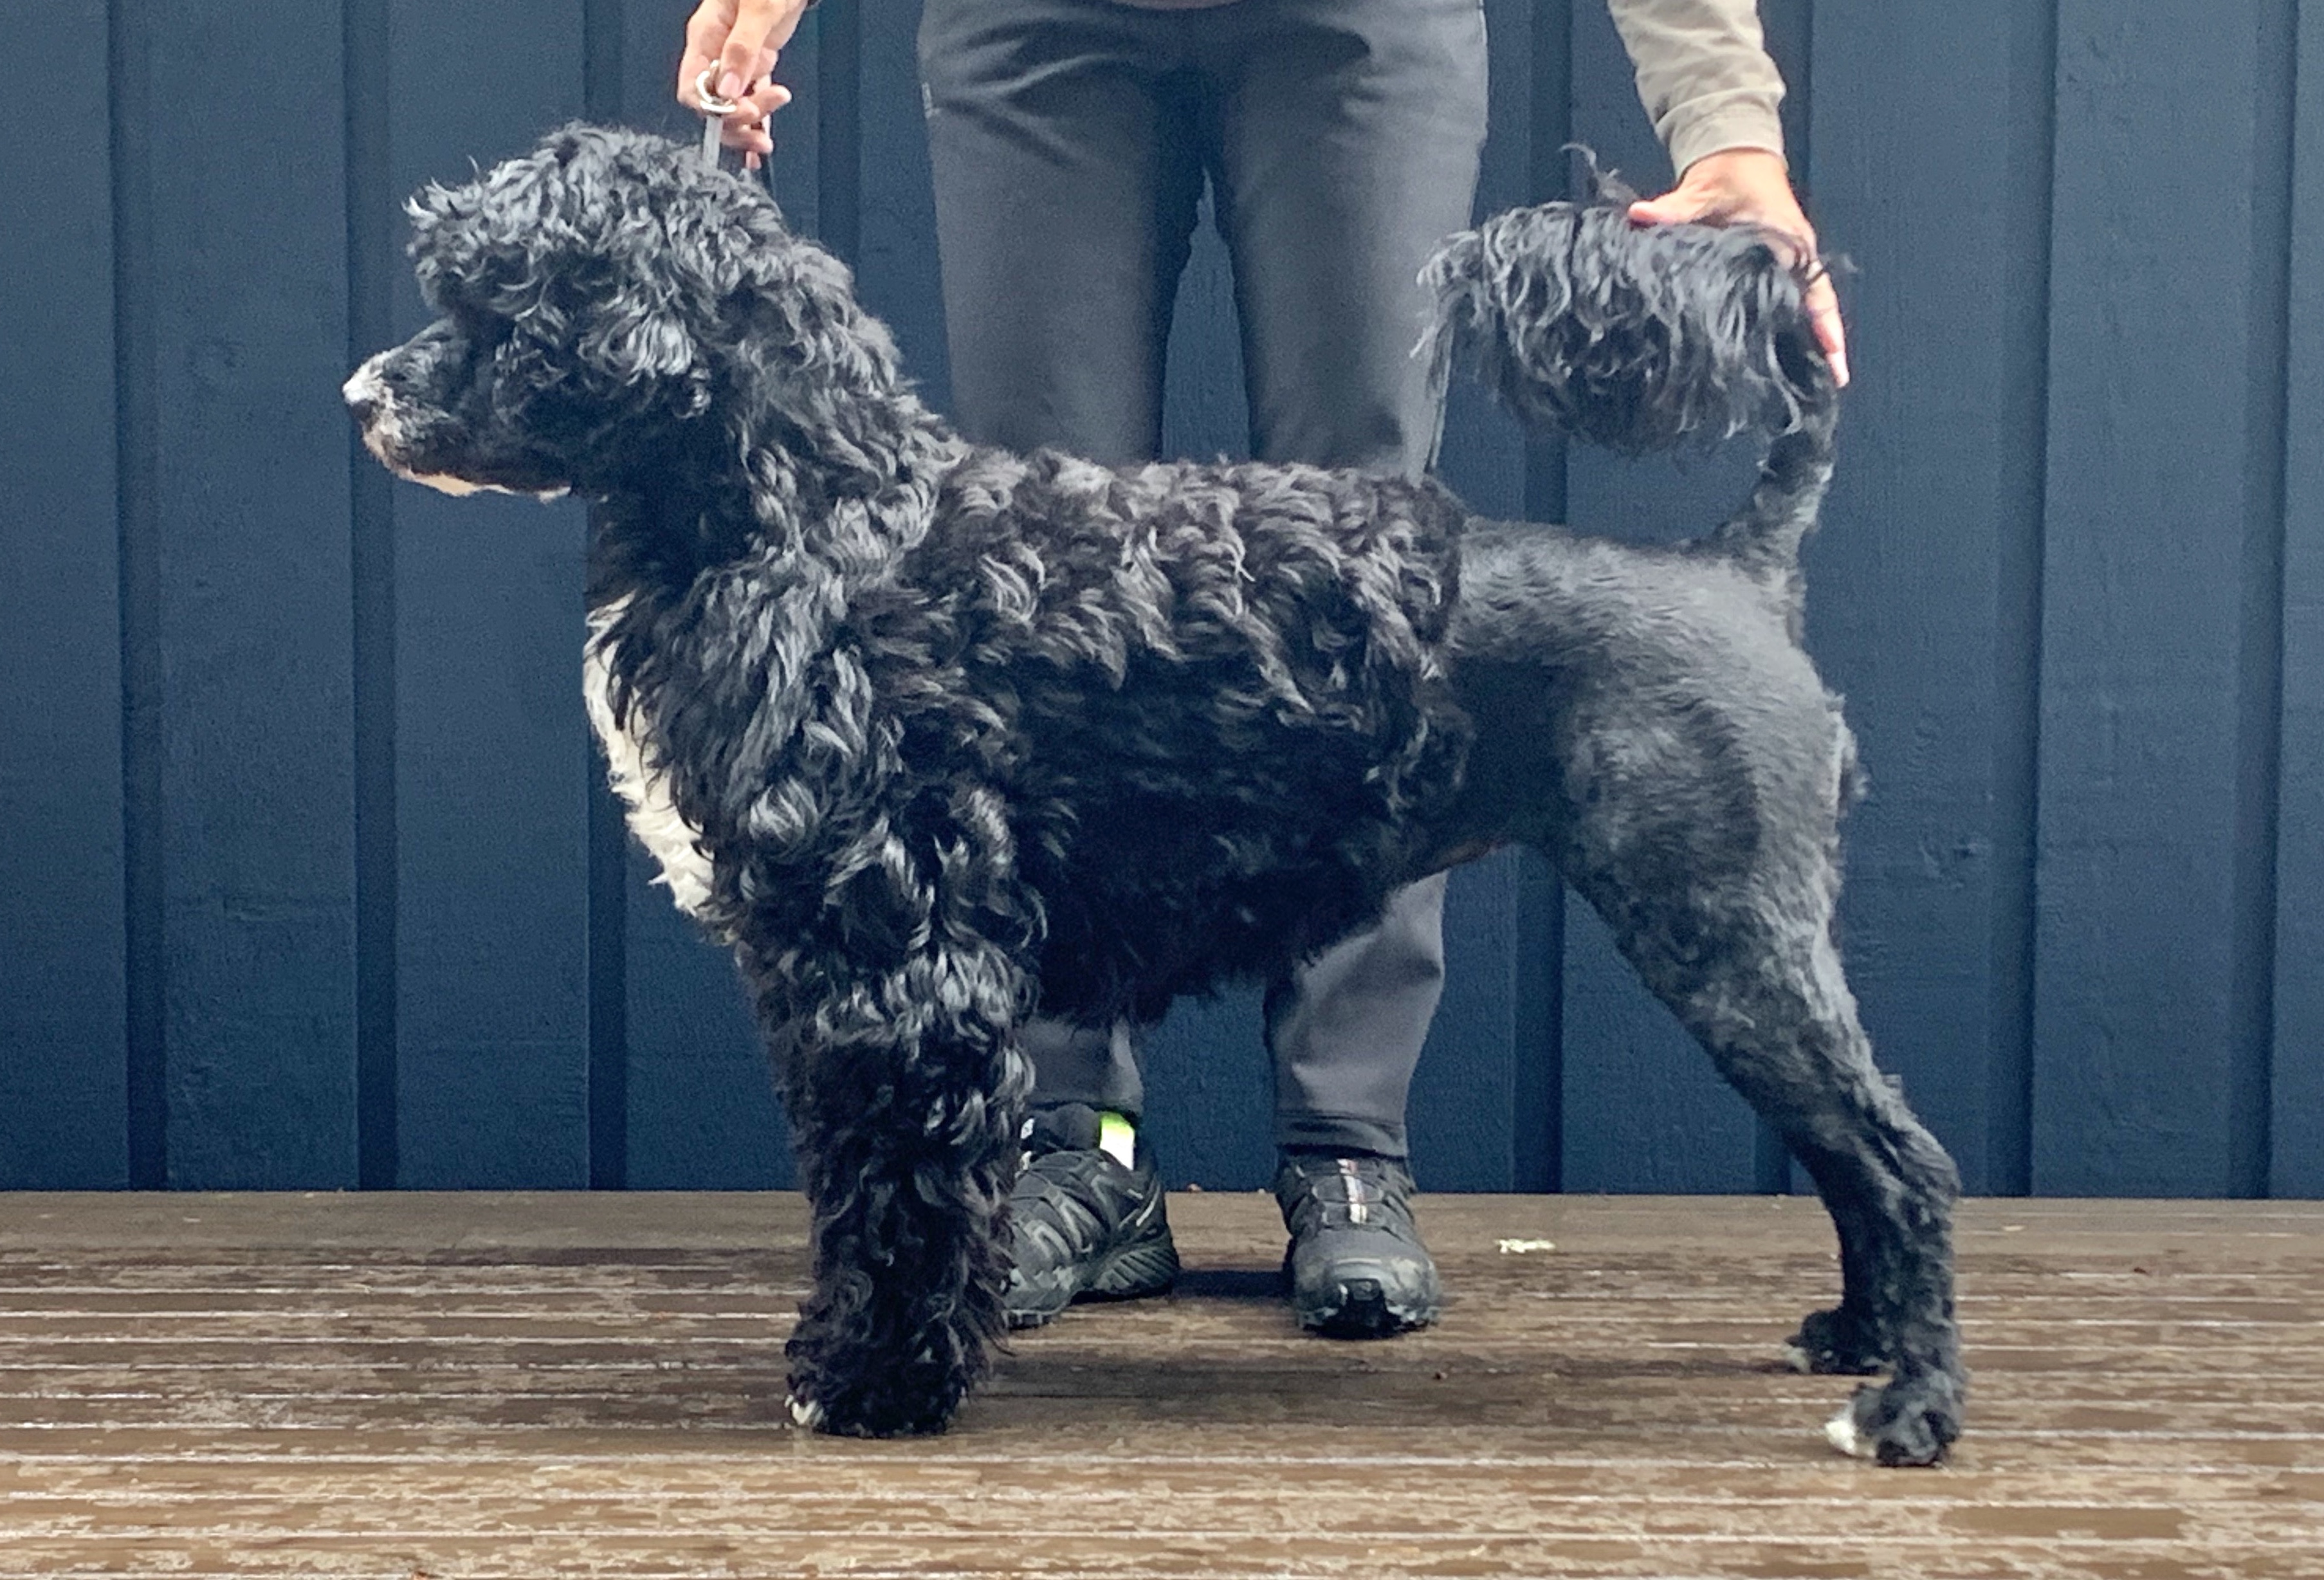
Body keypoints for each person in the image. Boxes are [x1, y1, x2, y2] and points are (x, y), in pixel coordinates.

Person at [678, 0, 1848, 1339]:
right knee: (1027, 593)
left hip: (1359, 24)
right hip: (1034, 27)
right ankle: (1076, 1141)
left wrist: (1726, 121)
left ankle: (1348, 1146)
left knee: (1369, 588)